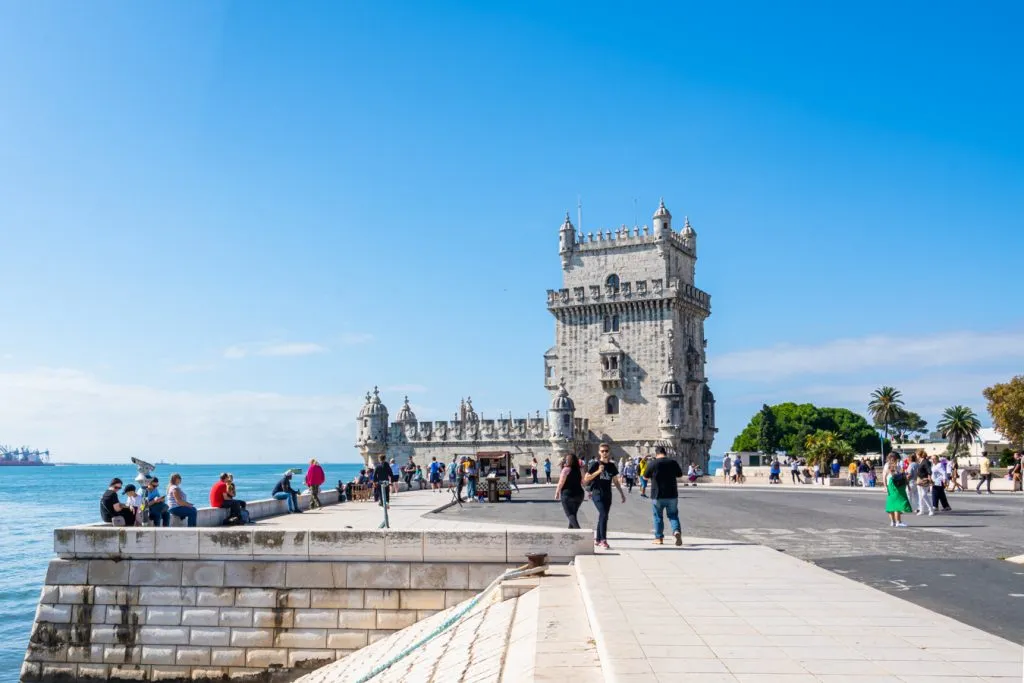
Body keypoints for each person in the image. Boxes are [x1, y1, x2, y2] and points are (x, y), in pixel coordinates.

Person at [583, 443, 626, 549]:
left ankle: (597, 539)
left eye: (606, 451)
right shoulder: (595, 464)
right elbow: (586, 479)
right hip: (597, 493)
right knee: (603, 514)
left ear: (609, 452)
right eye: (602, 451)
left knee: (603, 516)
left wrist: (621, 493)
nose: (604, 453)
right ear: (599, 452)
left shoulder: (611, 466)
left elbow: (615, 481)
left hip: (608, 494)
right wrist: (598, 471)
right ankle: (603, 540)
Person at [644, 446, 684, 546]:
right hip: (672, 494)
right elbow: (680, 475)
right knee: (673, 515)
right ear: (665, 452)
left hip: (657, 495)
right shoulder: (673, 462)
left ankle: (659, 538)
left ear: (656, 453)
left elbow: (645, 477)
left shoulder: (652, 463)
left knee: (658, 516)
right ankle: (676, 532)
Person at [554, 453, 586, 528]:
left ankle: (580, 532)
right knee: (573, 514)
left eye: (567, 460)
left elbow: (561, 482)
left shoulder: (566, 470)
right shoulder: (580, 470)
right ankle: (570, 532)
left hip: (567, 494)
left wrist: (557, 492)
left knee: (570, 515)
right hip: (579, 494)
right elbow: (583, 482)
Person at [884, 454, 912, 527]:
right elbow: (903, 475)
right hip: (896, 484)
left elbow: (884, 476)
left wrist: (885, 486)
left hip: (892, 484)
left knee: (892, 503)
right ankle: (898, 522)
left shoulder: (888, 465)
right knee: (898, 503)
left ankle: (893, 522)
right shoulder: (897, 464)